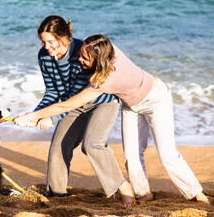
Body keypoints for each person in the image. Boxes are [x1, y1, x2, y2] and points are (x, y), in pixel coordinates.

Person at [15, 34, 210, 204]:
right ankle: (143, 194)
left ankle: (196, 193)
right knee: (131, 156)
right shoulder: (107, 51)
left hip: (156, 99)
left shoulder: (107, 80)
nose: (80, 60)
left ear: (99, 60)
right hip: (131, 106)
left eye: (84, 58)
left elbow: (66, 105)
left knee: (167, 154)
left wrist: (32, 116)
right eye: (81, 53)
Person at [18, 16, 136, 207]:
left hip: (102, 102)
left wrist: (50, 116)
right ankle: (57, 195)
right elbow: (52, 91)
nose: (46, 46)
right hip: (69, 104)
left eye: (51, 41)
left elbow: (76, 95)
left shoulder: (82, 50)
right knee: (58, 146)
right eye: (43, 41)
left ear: (64, 37)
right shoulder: (44, 56)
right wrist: (35, 114)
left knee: (91, 145)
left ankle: (122, 185)